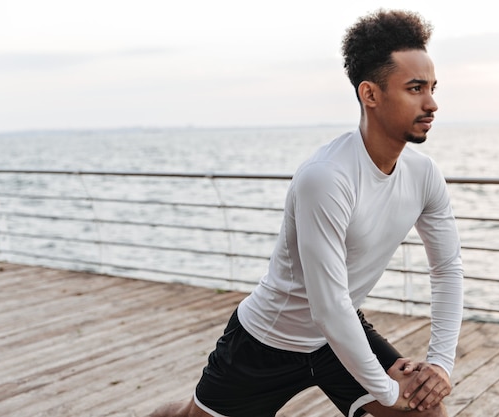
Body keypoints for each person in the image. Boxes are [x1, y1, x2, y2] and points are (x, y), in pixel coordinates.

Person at [150, 8, 463, 417]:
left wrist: (439, 364)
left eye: (432, 88)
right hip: (267, 342)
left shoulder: (424, 175)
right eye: (415, 88)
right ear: (370, 94)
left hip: (340, 336)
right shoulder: (326, 178)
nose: (432, 103)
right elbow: (328, 304)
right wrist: (387, 391)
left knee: (426, 413)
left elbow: (447, 268)